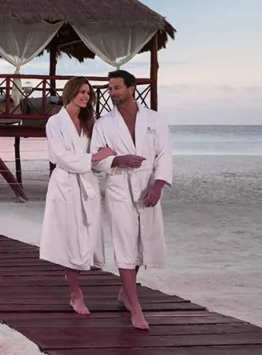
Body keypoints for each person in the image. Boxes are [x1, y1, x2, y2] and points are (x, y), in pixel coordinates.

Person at [91, 69, 174, 331]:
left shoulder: (155, 120)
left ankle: (125, 293)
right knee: (124, 242)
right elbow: (95, 159)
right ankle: (135, 307)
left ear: (131, 89)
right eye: (109, 88)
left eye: (117, 88)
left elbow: (164, 155)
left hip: (148, 185)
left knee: (142, 240)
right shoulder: (103, 124)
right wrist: (119, 160)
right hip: (119, 187)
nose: (112, 93)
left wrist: (159, 185)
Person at [40, 77, 114, 316]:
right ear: (70, 92)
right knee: (71, 240)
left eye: (88, 93)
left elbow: (100, 154)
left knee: (85, 239)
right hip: (64, 185)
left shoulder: (90, 122)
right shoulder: (55, 122)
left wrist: (115, 163)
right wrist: (92, 158)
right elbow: (58, 156)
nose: (85, 96)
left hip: (86, 184)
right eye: (82, 92)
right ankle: (76, 294)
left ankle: (75, 284)